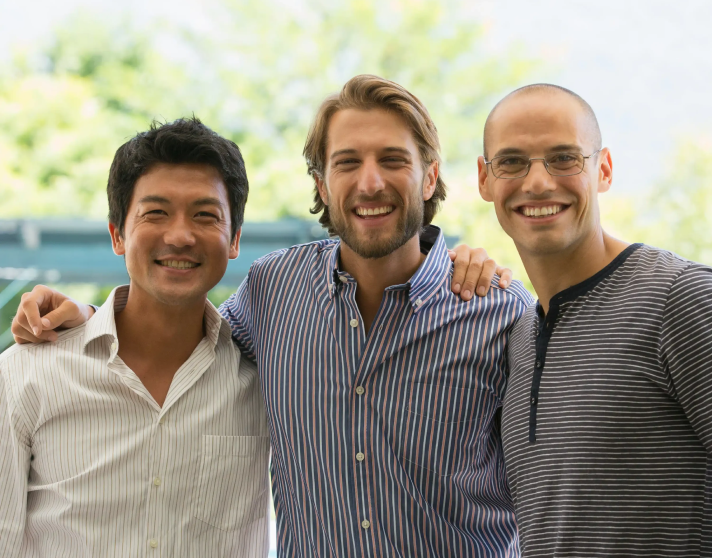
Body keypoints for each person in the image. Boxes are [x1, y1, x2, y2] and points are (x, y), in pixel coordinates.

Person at [12, 75, 530, 557]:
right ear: (322, 184)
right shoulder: (274, 291)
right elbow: (174, 324)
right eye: (347, 162)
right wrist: (90, 315)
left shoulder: (500, 313)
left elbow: (554, 494)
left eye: (393, 159)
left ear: (429, 176)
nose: (370, 183)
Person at [0, 117, 271, 557]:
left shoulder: (262, 379)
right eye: (155, 213)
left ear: (235, 238)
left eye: (205, 215)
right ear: (117, 235)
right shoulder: (25, 374)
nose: (180, 235)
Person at [478, 84, 712, 557]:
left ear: (603, 170)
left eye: (564, 158)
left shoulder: (681, 300)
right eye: (512, 162)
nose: (538, 182)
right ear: (484, 180)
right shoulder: (519, 336)